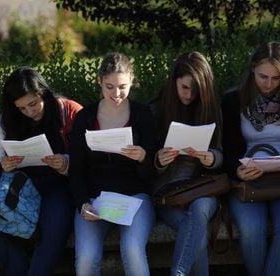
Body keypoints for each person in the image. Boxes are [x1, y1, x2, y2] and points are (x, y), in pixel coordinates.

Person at [222, 41, 280, 276]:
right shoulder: (234, 100)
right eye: (263, 76)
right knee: (252, 229)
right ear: (252, 69)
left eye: (276, 78)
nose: (269, 84)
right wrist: (237, 171)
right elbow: (229, 149)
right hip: (249, 180)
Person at [69, 52, 156, 276]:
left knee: (132, 249)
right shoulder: (85, 117)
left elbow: (152, 173)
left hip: (135, 198)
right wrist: (82, 204)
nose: (116, 94)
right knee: (86, 259)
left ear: (132, 81)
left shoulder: (142, 115)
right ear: (99, 82)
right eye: (109, 87)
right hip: (95, 200)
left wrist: (143, 159)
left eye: (122, 87)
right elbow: (76, 170)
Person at [0, 66, 82, 275]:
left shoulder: (68, 110)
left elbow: (88, 159)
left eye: (33, 104)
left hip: (58, 187)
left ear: (43, 92)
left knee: (53, 230)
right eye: (22, 108)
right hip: (19, 187)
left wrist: (65, 163)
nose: (30, 112)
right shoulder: (6, 119)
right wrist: (4, 165)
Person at [149, 51, 222, 276]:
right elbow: (144, 162)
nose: (189, 95)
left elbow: (222, 153)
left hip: (203, 188)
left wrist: (211, 158)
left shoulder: (212, 110)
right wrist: (159, 160)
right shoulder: (156, 110)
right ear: (174, 83)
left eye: (196, 90)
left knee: (198, 212)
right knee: (192, 229)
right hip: (168, 193)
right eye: (184, 88)